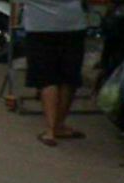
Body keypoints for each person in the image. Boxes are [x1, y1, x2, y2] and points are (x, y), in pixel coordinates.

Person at [23, 0, 88, 146]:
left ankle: (50, 130)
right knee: (68, 78)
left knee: (46, 78)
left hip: (40, 27)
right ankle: (59, 125)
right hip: (73, 25)